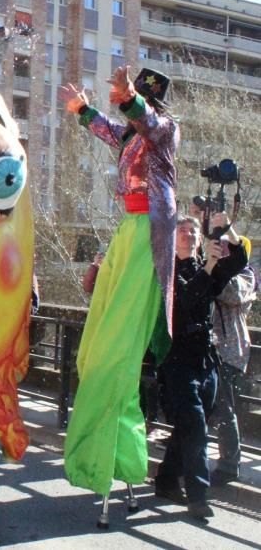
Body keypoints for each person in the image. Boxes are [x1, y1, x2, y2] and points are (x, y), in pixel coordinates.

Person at [60, 65, 179, 500]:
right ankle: (121, 457)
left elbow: (146, 120)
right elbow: (110, 129)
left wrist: (131, 98)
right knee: (93, 351)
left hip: (150, 231)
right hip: (129, 227)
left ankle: (108, 456)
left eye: (138, 99)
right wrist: (83, 108)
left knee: (115, 355)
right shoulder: (130, 136)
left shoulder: (164, 130)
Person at [155, 213, 247, 518]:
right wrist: (209, 265)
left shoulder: (204, 266)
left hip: (206, 358)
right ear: (173, 238)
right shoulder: (167, 271)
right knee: (194, 425)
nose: (188, 235)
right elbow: (187, 299)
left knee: (192, 425)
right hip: (177, 358)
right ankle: (198, 495)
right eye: (181, 231)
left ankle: (167, 479)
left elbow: (239, 262)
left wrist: (227, 229)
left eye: (193, 232)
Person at [209, 237, 255, 485]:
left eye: (228, 248)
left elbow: (230, 292)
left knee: (224, 407)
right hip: (207, 347)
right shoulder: (212, 268)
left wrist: (213, 269)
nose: (222, 251)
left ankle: (229, 465)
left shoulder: (245, 275)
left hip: (229, 350)